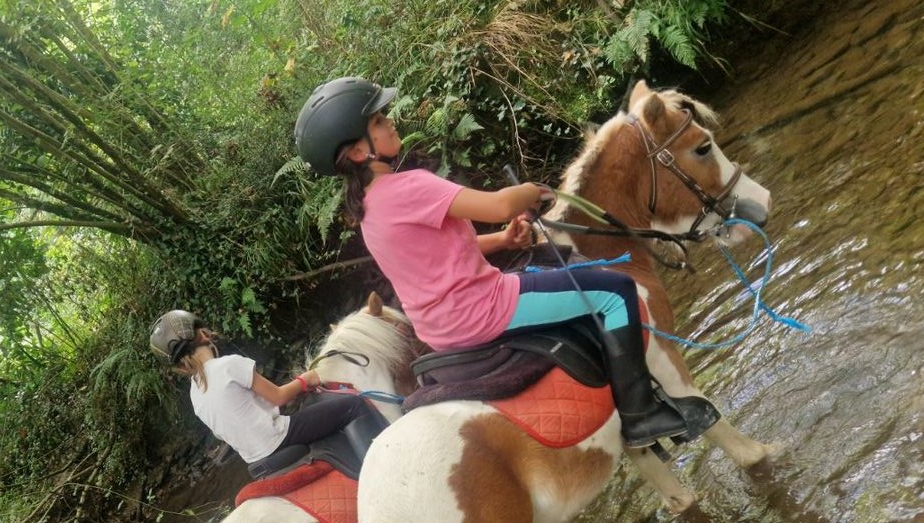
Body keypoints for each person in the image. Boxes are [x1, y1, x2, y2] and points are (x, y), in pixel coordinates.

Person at [294, 77, 720, 448]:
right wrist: (529, 194)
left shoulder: (368, 212)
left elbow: (442, 258)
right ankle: (643, 412)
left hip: (442, 330)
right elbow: (499, 203)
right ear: (356, 152)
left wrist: (505, 239)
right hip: (485, 308)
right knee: (616, 291)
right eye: (379, 122)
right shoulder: (410, 186)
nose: (391, 122)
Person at [150, 309, 372, 466]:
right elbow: (278, 397)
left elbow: (224, 431)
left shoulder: (194, 395)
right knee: (353, 405)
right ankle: (382, 465)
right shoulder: (228, 365)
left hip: (254, 460)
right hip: (280, 438)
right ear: (202, 334)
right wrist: (307, 380)